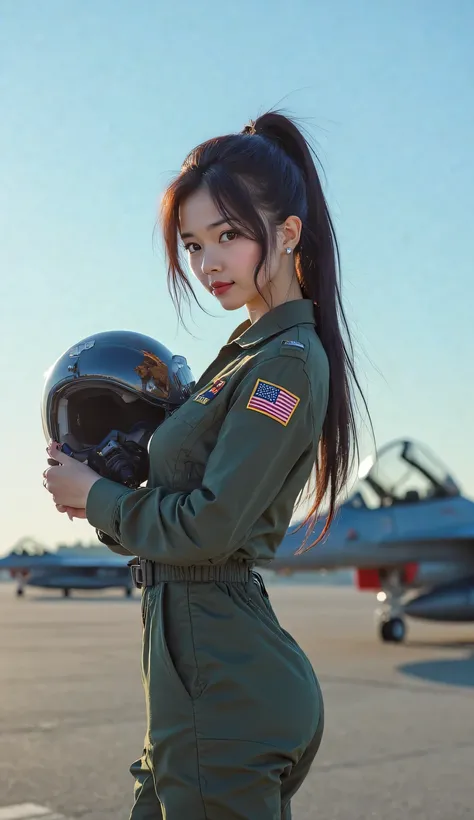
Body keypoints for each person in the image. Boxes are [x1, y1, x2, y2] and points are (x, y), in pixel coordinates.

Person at [44, 111, 365, 819]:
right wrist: (101, 487)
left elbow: (211, 527)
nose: (207, 262)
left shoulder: (284, 365)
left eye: (228, 235)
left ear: (285, 233)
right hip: (196, 678)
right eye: (193, 245)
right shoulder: (245, 352)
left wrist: (97, 497)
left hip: (224, 686)